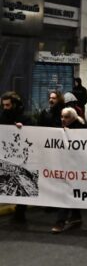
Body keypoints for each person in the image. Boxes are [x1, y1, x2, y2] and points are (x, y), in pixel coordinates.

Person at [52, 107, 86, 233]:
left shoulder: (81, 128)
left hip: (76, 166)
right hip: (65, 165)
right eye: (62, 116)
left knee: (66, 192)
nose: (63, 119)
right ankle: (76, 216)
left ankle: (60, 221)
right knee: (70, 191)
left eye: (66, 117)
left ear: (73, 117)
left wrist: (70, 134)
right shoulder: (60, 128)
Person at [0, 91, 33, 223]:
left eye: (7, 105)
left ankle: (20, 212)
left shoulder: (25, 118)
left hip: (21, 157)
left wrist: (23, 129)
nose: (5, 108)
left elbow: (33, 134)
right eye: (3, 105)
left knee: (21, 184)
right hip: (6, 155)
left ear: (14, 105)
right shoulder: (2, 116)